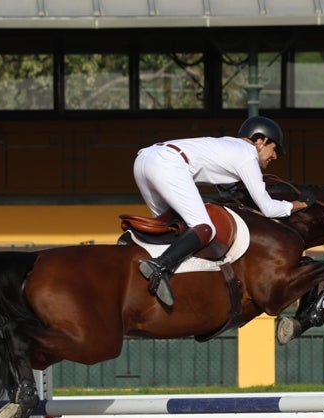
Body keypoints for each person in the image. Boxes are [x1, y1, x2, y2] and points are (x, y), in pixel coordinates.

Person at [132, 116, 310, 306]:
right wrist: (300, 204)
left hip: (145, 159)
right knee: (204, 227)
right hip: (168, 163)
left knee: (169, 225)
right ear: (260, 141)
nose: (274, 156)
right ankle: (159, 266)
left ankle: (156, 268)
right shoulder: (248, 155)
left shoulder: (230, 146)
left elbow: (229, 191)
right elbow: (268, 208)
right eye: (274, 149)